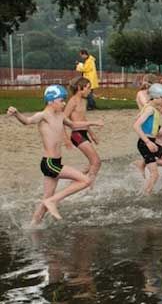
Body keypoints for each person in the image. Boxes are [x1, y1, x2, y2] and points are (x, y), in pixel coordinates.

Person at [6, 85, 103, 224]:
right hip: (49, 164)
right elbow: (27, 121)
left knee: (46, 198)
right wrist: (16, 113)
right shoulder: (43, 115)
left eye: (64, 100)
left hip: (55, 163)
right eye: (61, 100)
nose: (64, 103)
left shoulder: (61, 115)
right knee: (85, 181)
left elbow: (74, 125)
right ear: (50, 101)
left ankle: (33, 226)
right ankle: (53, 201)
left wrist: (92, 122)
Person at [133, 83, 162, 194]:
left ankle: (145, 163)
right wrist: (147, 142)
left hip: (150, 143)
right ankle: (146, 194)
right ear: (155, 97)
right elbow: (136, 126)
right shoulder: (150, 110)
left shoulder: (150, 107)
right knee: (155, 174)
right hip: (145, 143)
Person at [64, 77, 101, 183]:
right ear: (80, 88)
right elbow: (62, 120)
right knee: (96, 162)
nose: (90, 91)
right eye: (88, 88)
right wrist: (66, 139)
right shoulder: (72, 101)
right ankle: (88, 185)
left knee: (91, 163)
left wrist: (92, 134)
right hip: (76, 135)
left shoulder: (84, 101)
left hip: (84, 133)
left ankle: (76, 182)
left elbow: (83, 119)